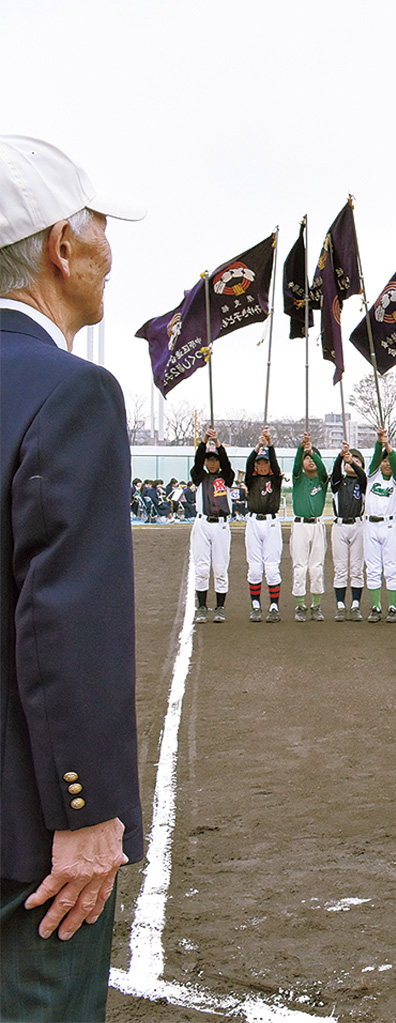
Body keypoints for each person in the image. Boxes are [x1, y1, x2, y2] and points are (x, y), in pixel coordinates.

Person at [1, 133, 144, 1021]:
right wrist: (84, 807)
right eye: (97, 229)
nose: (108, 253)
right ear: (61, 244)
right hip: (25, 842)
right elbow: (64, 620)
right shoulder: (72, 392)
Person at [190, 428, 234, 622]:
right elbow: (197, 463)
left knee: (220, 566)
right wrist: (203, 441)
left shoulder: (226, 478)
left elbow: (227, 465)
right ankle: (201, 607)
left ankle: (220, 607)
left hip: (221, 526)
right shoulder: (200, 477)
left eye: (215, 459)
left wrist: (218, 444)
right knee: (201, 566)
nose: (212, 462)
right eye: (210, 460)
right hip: (202, 524)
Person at [363, 429, 396, 623]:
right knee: (372, 567)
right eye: (384, 460)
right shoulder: (372, 477)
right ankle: (376, 606)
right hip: (370, 525)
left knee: (391, 566)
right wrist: (380, 443)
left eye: (389, 460)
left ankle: (393, 606)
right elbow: (374, 459)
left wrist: (388, 445)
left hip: (389, 526)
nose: (387, 463)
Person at [245, 429, 284, 623]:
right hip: (253, 522)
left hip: (271, 524)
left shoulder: (275, 479)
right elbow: (247, 463)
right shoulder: (251, 479)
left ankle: (274, 606)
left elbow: (277, 467)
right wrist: (258, 446)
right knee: (254, 568)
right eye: (259, 463)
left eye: (265, 463)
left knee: (271, 568)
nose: (262, 466)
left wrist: (270, 445)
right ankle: (255, 605)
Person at [290, 432, 329, 621]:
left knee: (316, 566)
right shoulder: (298, 478)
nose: (310, 461)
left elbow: (323, 470)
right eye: (307, 459)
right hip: (300, 525)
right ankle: (300, 605)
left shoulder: (322, 480)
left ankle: (316, 604)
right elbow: (296, 465)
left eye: (313, 458)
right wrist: (301, 448)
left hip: (317, 525)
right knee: (300, 565)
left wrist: (312, 452)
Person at [330, 443, 368, 621]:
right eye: (349, 459)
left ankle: (355, 605)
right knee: (340, 568)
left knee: (357, 568)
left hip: (358, 526)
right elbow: (336, 472)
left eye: (356, 460)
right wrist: (341, 456)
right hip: (339, 526)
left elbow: (362, 474)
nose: (351, 462)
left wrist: (351, 462)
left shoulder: (362, 481)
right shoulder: (339, 482)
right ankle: (340, 606)